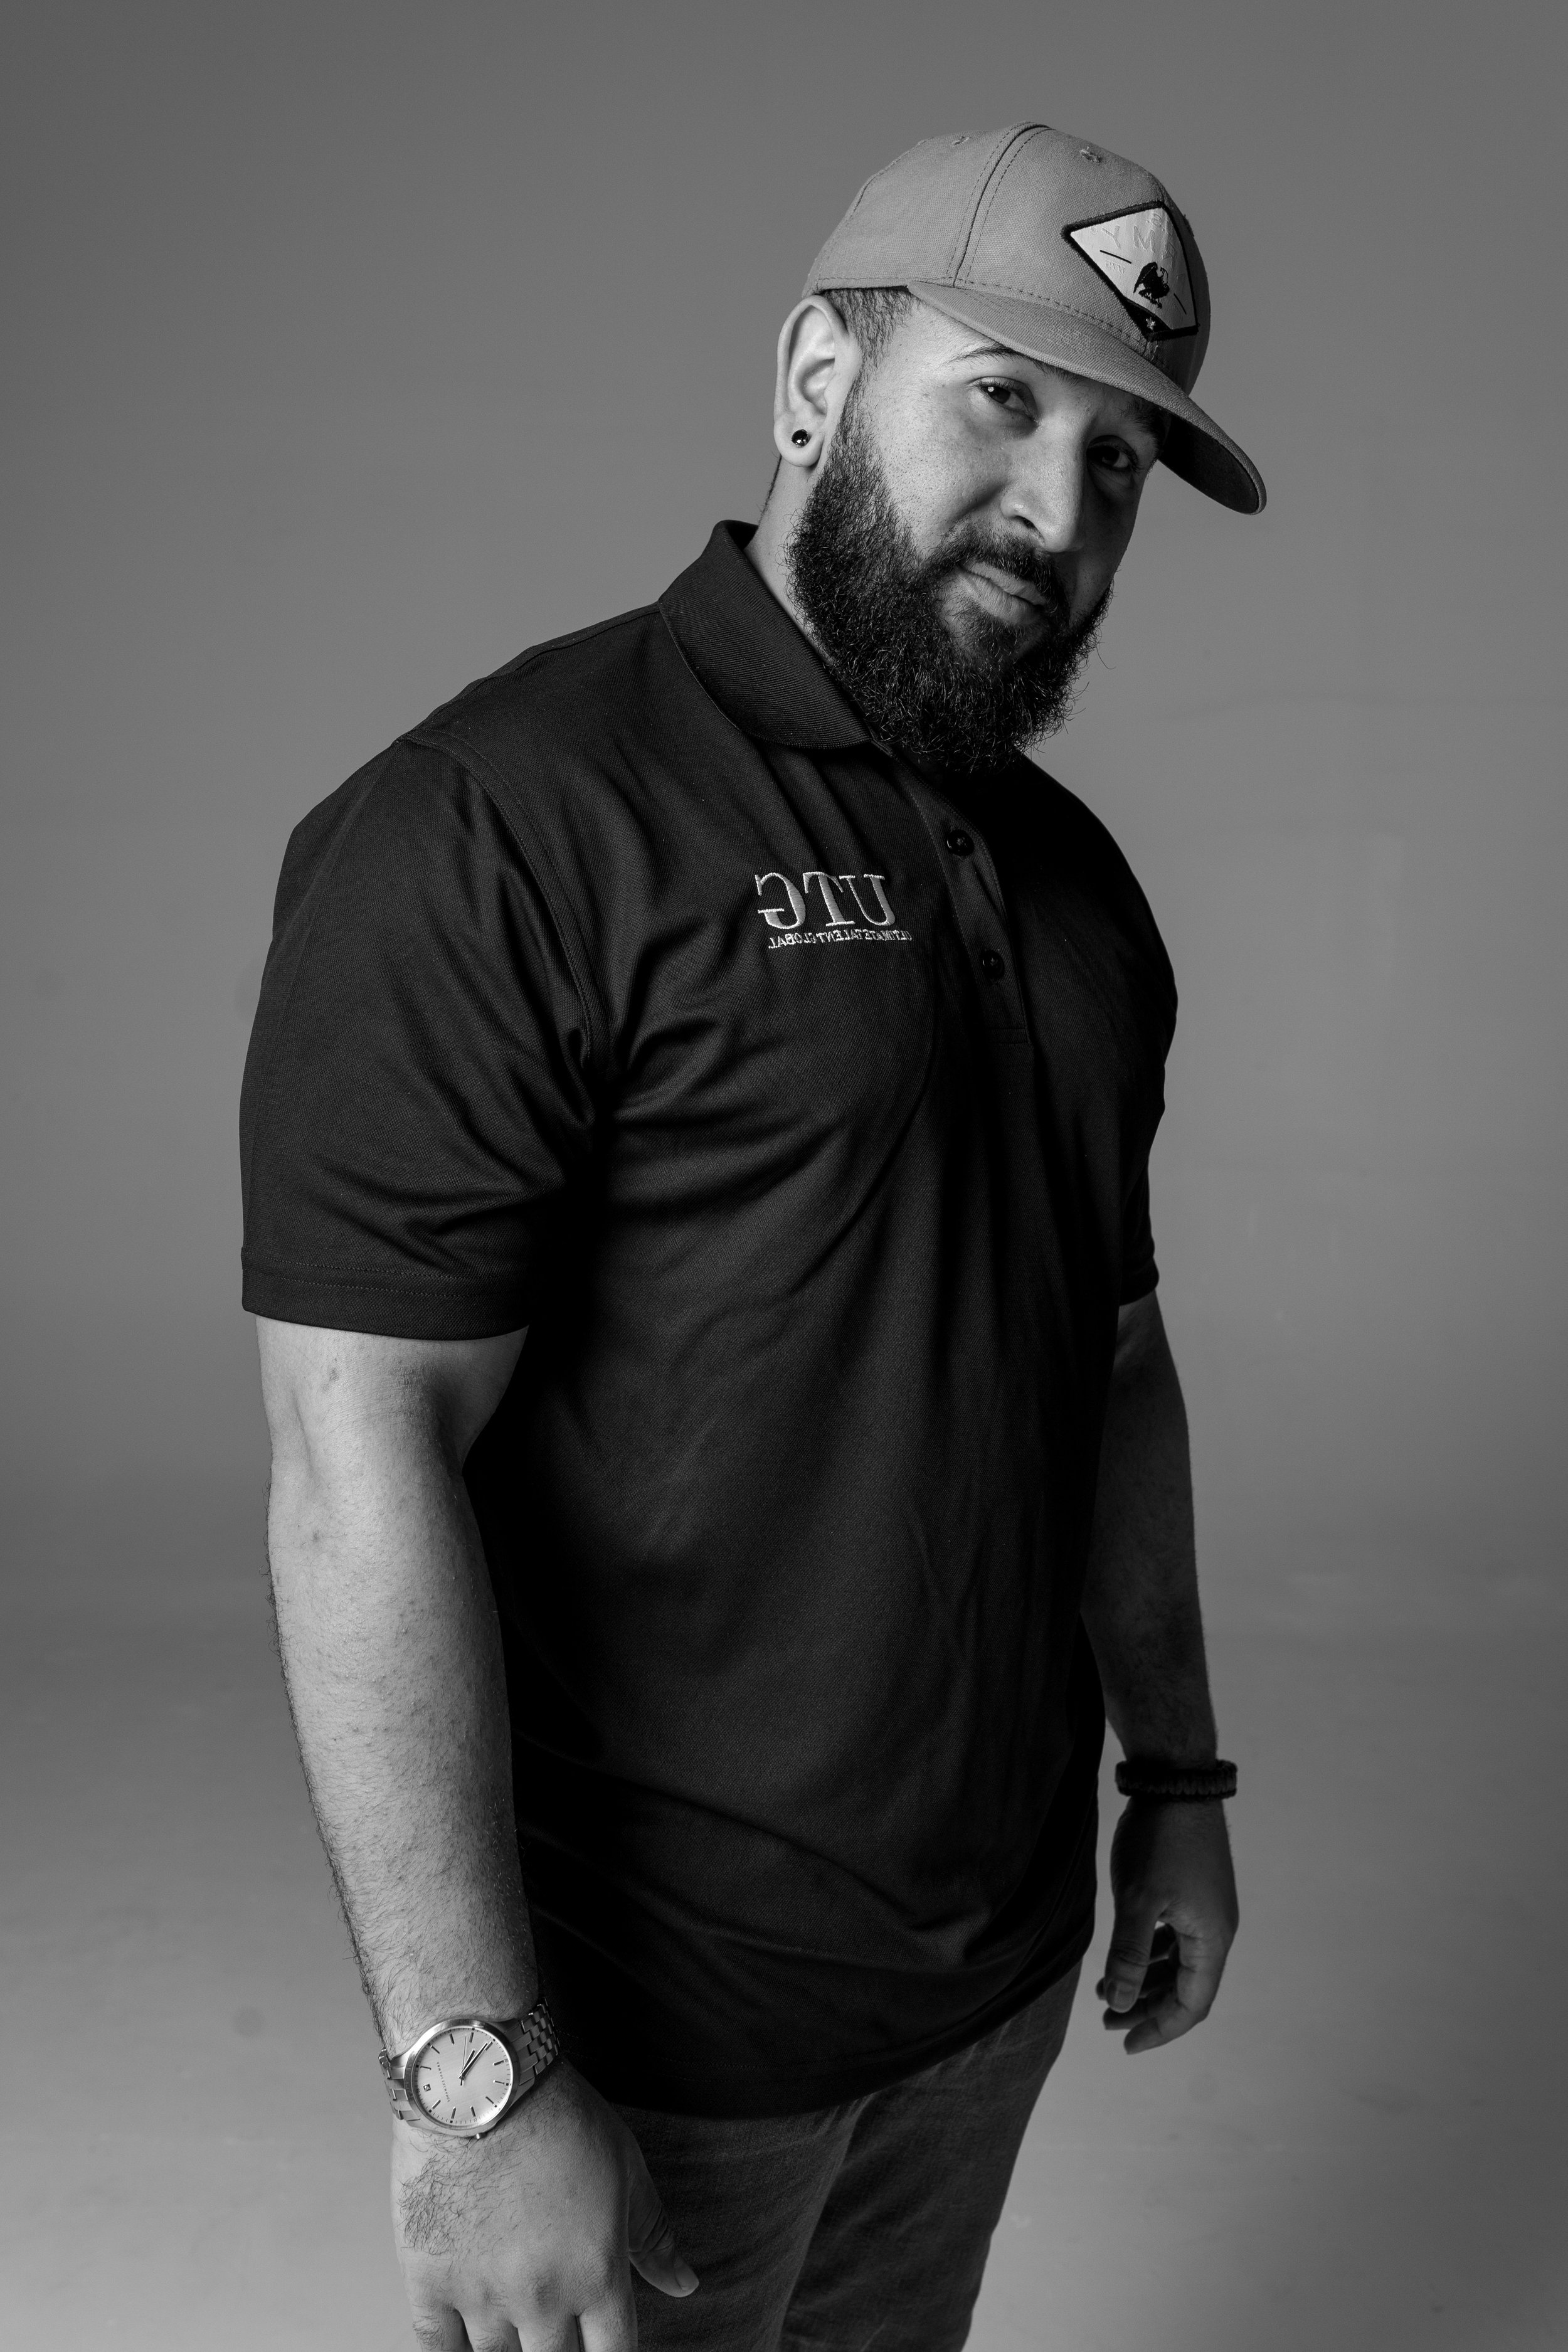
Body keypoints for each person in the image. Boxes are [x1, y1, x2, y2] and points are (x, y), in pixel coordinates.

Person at [241, 120, 1262, 2352]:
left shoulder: (1077, 888)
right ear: (815, 375)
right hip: (643, 2041)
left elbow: (1105, 1359)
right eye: (1003, 396)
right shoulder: (498, 825)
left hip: (980, 1996)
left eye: (1119, 462)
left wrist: (1174, 1777)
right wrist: (476, 2083)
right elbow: (358, 1462)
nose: (1058, 506)